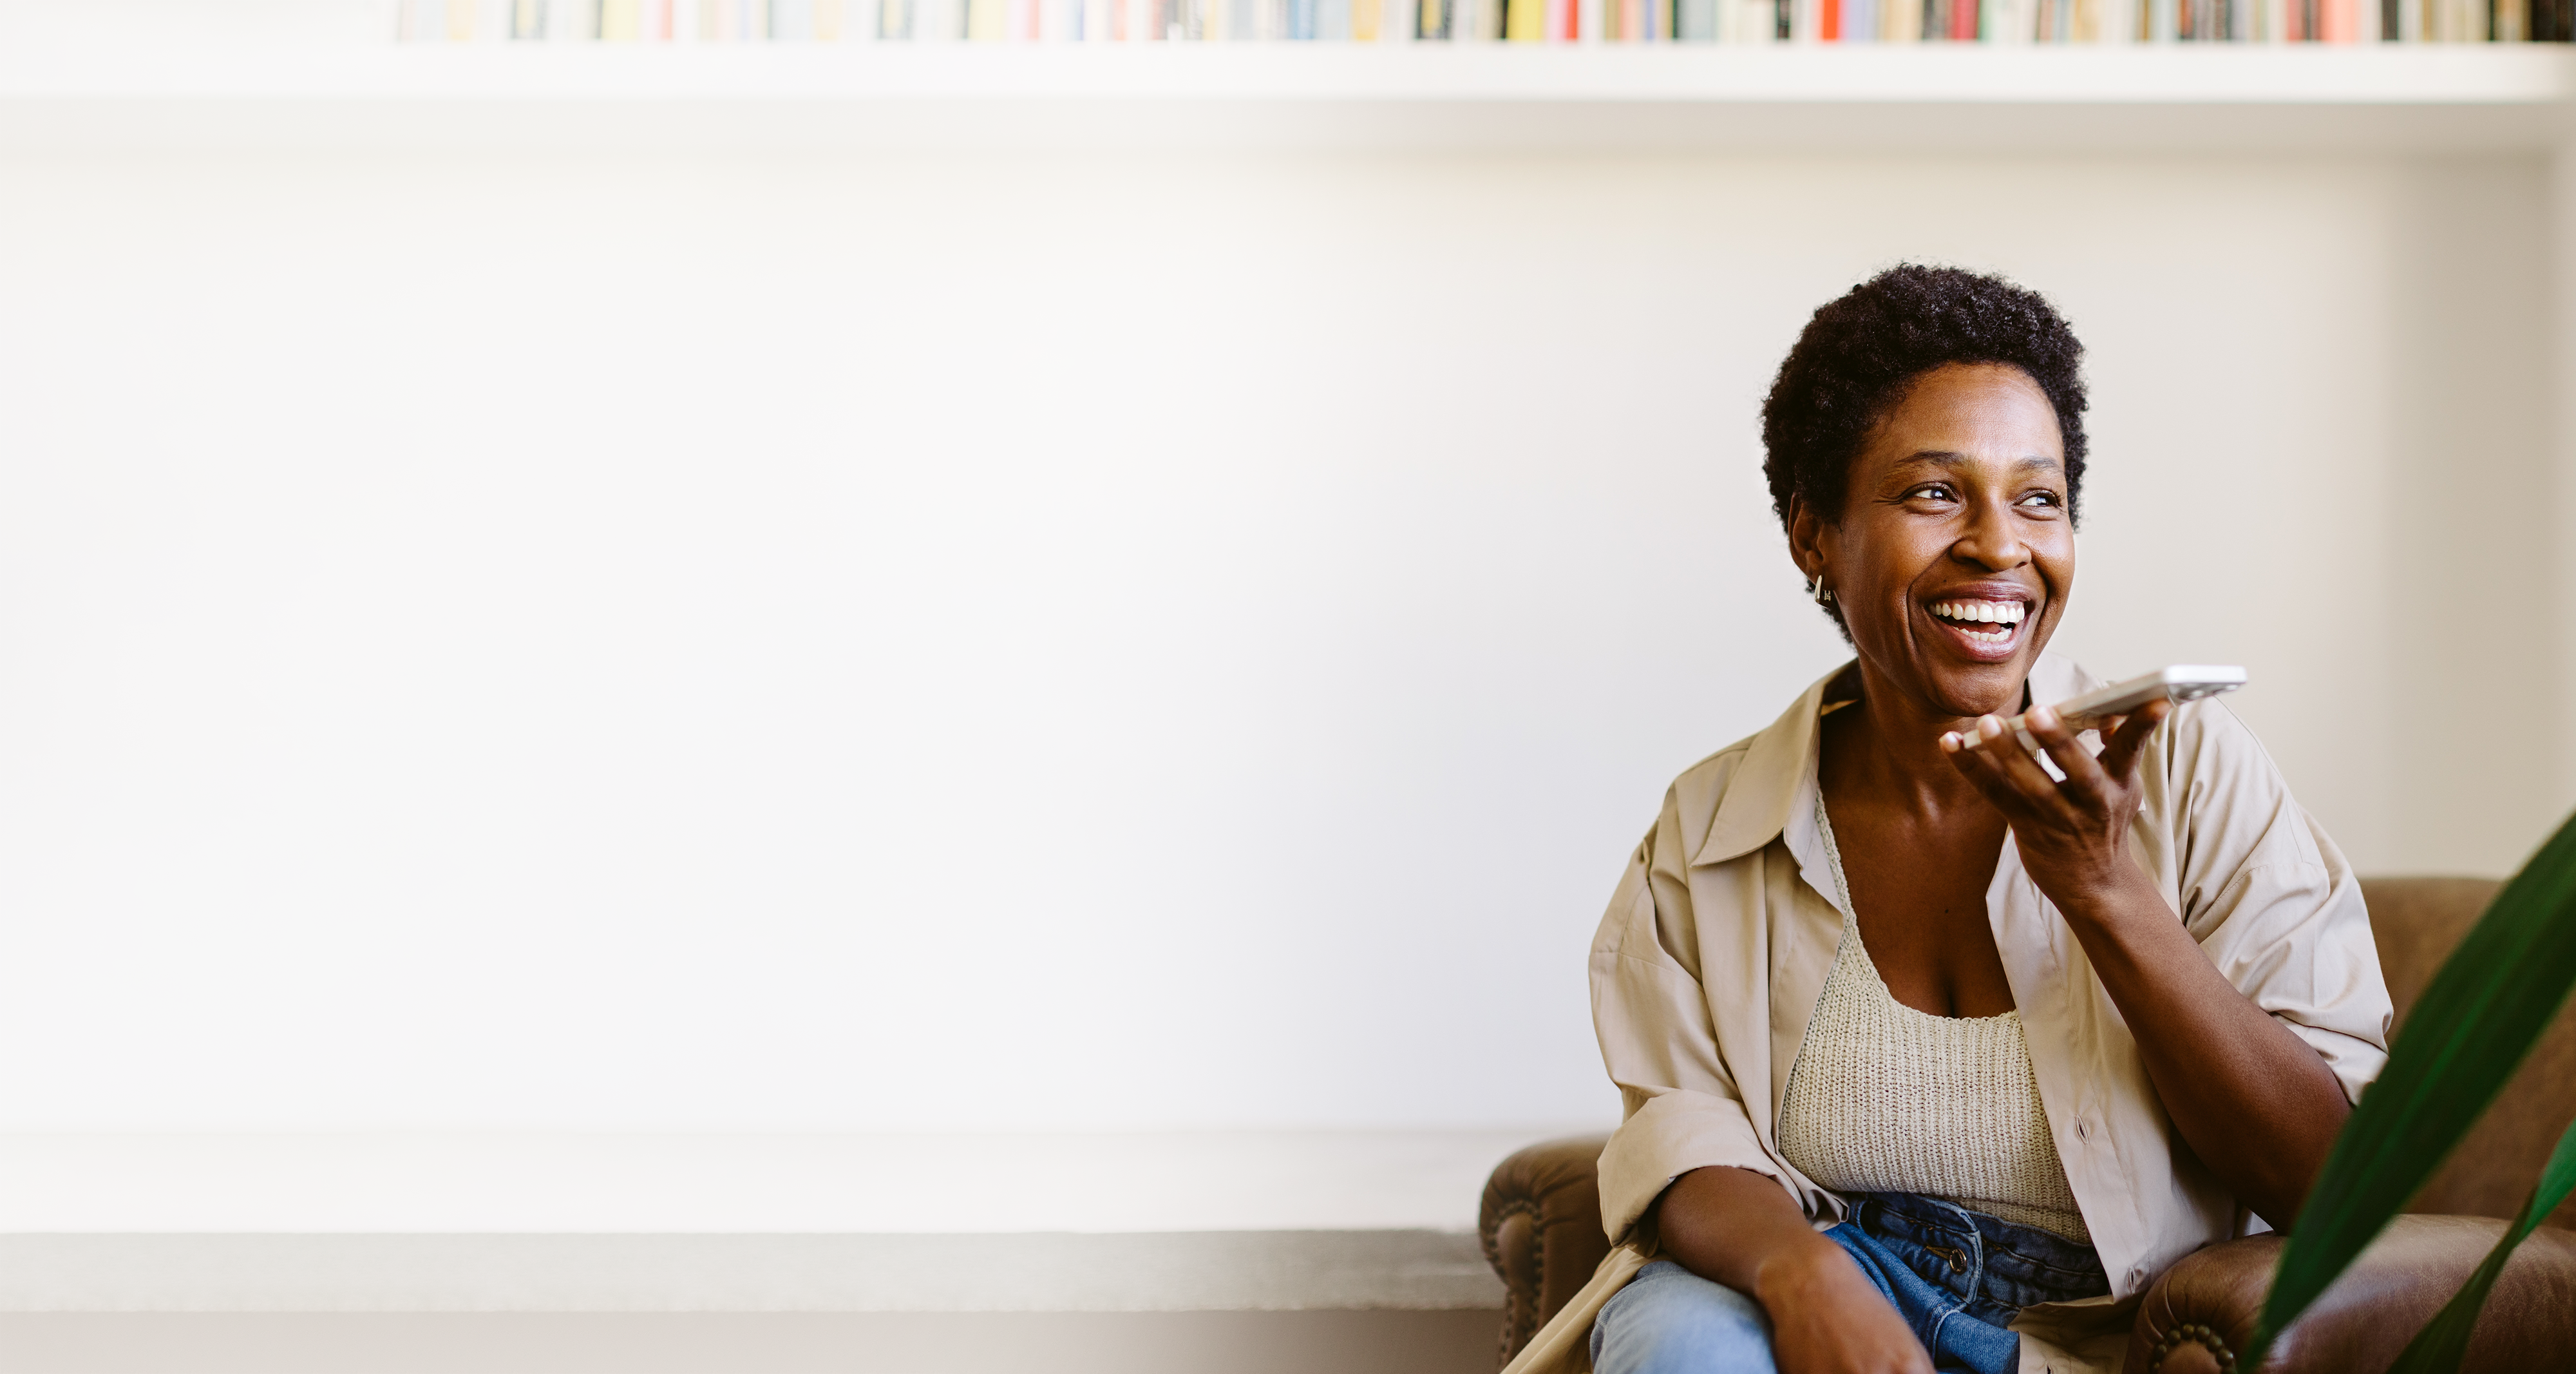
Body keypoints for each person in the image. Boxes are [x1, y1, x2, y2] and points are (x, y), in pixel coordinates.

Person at [1500, 265, 2393, 1374]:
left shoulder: (2193, 778)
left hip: (2106, 1337)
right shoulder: (1715, 825)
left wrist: (2103, 890)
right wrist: (1805, 1274)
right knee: (1681, 1334)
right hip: (1832, 1290)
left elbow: (2332, 1181)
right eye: (1934, 493)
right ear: (1814, 535)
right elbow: (1683, 1132)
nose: (1998, 545)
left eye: (2039, 497)